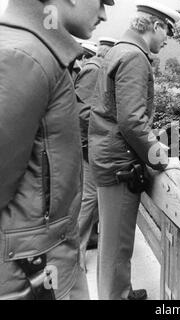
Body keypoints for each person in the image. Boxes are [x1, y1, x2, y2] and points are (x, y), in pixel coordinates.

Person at [0, 0, 114, 300]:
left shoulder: (37, 51)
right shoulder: (25, 55)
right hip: (31, 271)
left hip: (42, 260)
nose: (104, 13)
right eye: (102, 1)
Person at [89, 1, 180, 300]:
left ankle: (121, 290)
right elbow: (131, 121)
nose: (168, 38)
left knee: (112, 241)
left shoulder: (118, 49)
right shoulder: (134, 57)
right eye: (168, 30)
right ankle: (116, 296)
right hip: (119, 165)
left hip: (108, 157)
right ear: (155, 26)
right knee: (117, 244)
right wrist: (161, 159)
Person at [75, 37, 116, 272]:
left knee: (95, 196)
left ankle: (88, 240)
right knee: (89, 197)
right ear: (107, 53)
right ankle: (75, 254)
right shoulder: (95, 71)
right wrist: (107, 128)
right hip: (88, 145)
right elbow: (82, 112)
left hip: (91, 144)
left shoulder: (98, 69)